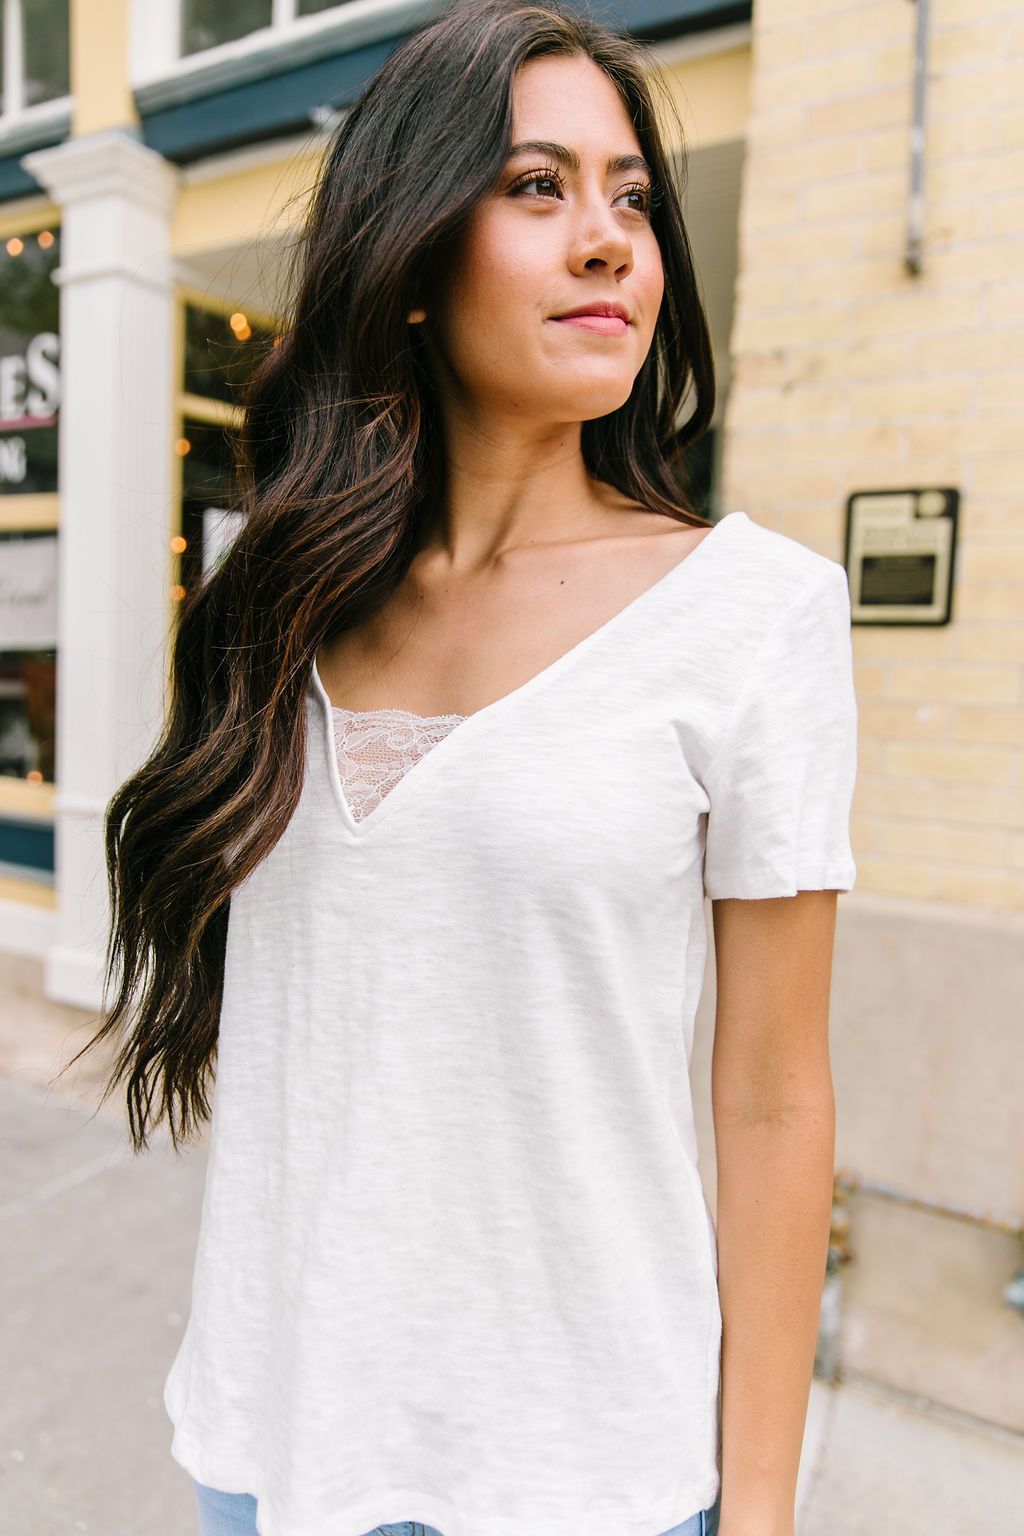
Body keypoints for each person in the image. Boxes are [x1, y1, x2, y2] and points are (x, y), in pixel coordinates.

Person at [65, 2, 858, 1534]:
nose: (613, 239)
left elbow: (772, 1099)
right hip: (272, 1438)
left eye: (633, 195)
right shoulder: (289, 605)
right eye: (538, 186)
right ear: (415, 253)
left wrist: (759, 1510)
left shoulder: (754, 615)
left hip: (584, 1474)